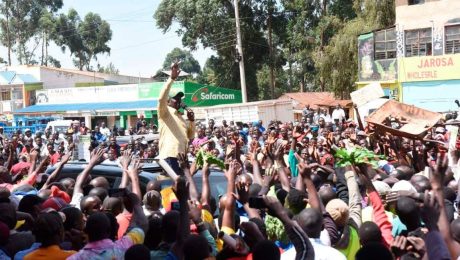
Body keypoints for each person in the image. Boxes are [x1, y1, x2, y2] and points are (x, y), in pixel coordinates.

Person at [157, 62, 195, 175]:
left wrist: (192, 121)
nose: (179, 100)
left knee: (183, 187)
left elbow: (191, 137)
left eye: (180, 98)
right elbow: (161, 98)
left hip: (182, 157)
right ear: (168, 101)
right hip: (170, 156)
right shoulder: (165, 112)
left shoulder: (181, 117)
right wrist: (171, 79)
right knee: (173, 185)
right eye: (175, 98)